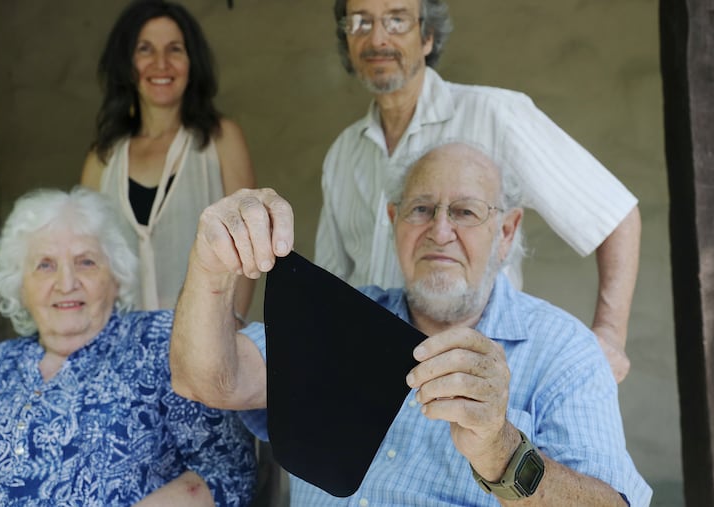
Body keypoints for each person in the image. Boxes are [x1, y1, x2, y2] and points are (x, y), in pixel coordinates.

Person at [169, 141, 652, 506]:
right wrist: (211, 264)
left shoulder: (563, 350)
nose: (440, 231)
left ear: (505, 233)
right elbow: (206, 379)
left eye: (465, 211)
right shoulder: (337, 317)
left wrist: (501, 449)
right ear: (395, 220)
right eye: (421, 209)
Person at [315, 0, 641, 382]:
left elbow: (614, 215)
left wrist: (610, 336)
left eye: (397, 20)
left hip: (475, 381)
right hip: (371, 384)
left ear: (428, 36)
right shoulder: (343, 152)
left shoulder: (496, 115)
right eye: (360, 22)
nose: (377, 38)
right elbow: (330, 286)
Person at [0, 187, 257, 506]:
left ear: (116, 276)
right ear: (20, 285)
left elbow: (227, 473)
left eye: (86, 262)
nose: (67, 283)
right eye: (45, 265)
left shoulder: (161, 341)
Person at [81, 0, 255, 319]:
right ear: (127, 64)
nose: (161, 63)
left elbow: (246, 248)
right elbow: (84, 256)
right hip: (119, 347)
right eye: (145, 49)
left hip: (204, 341)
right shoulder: (102, 157)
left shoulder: (222, 139)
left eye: (175, 49)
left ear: (192, 62)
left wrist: (231, 330)